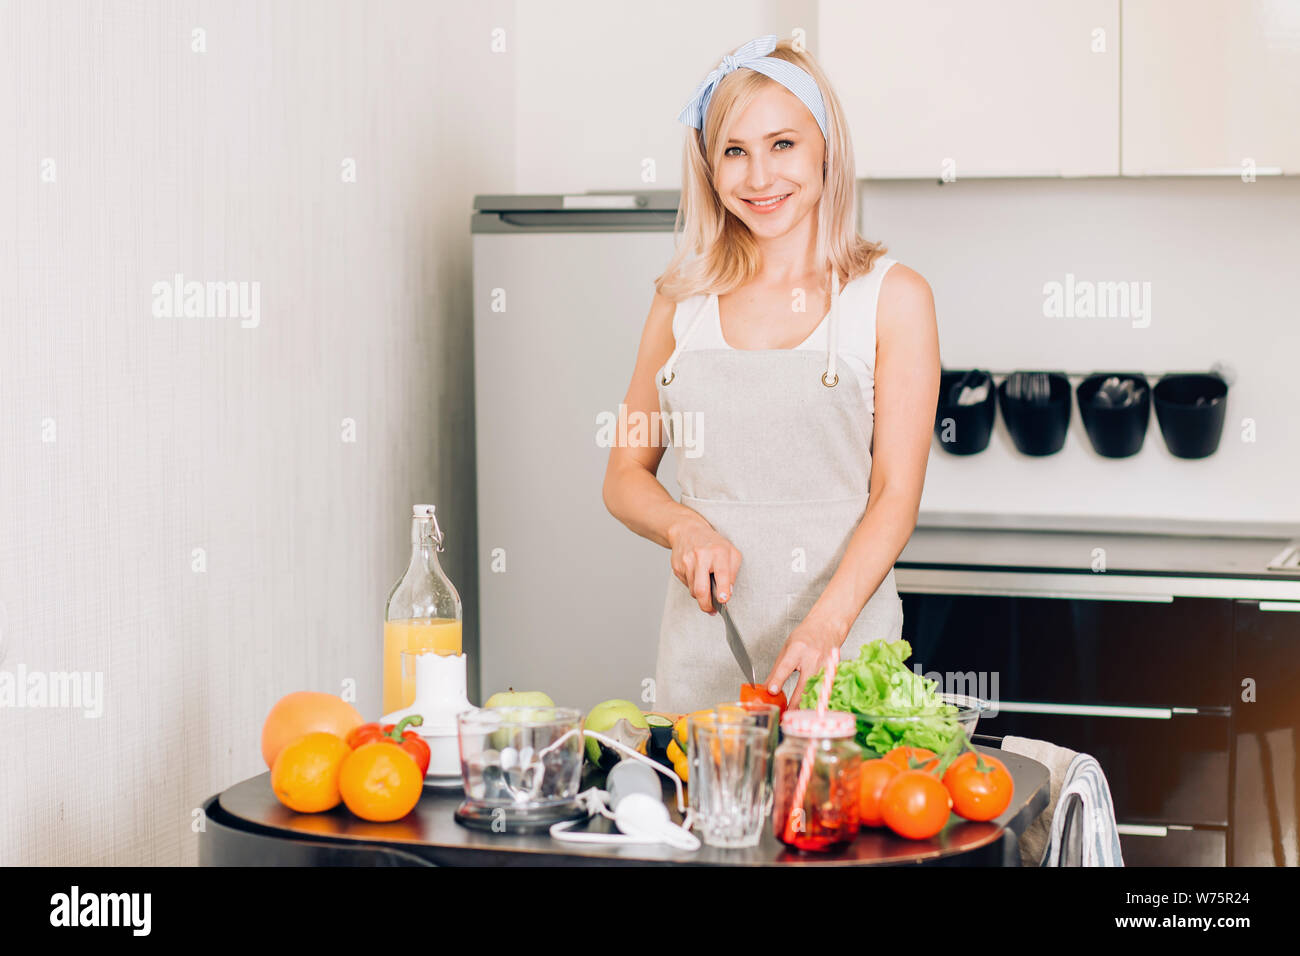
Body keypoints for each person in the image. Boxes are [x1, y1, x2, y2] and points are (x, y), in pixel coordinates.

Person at [602, 35, 940, 713]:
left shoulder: (892, 297)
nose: (759, 178)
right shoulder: (680, 303)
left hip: (844, 657)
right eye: (735, 150)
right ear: (709, 165)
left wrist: (827, 626)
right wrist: (684, 527)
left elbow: (896, 496)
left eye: (782, 144)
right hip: (702, 663)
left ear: (826, 150)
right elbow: (624, 476)